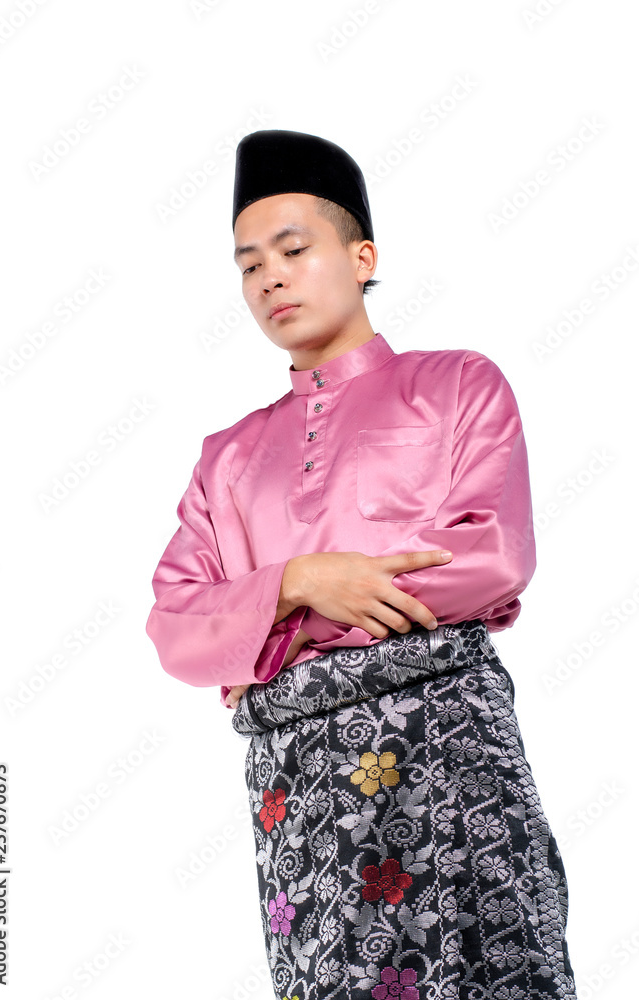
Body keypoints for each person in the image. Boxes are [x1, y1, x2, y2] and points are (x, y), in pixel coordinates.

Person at [146, 129, 578, 999]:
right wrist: (302, 580)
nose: (268, 277)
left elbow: (492, 555)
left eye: (294, 250)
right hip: (300, 797)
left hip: (447, 757)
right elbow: (175, 630)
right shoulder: (227, 458)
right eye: (247, 264)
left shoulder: (457, 384)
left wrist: (268, 632)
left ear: (362, 254)